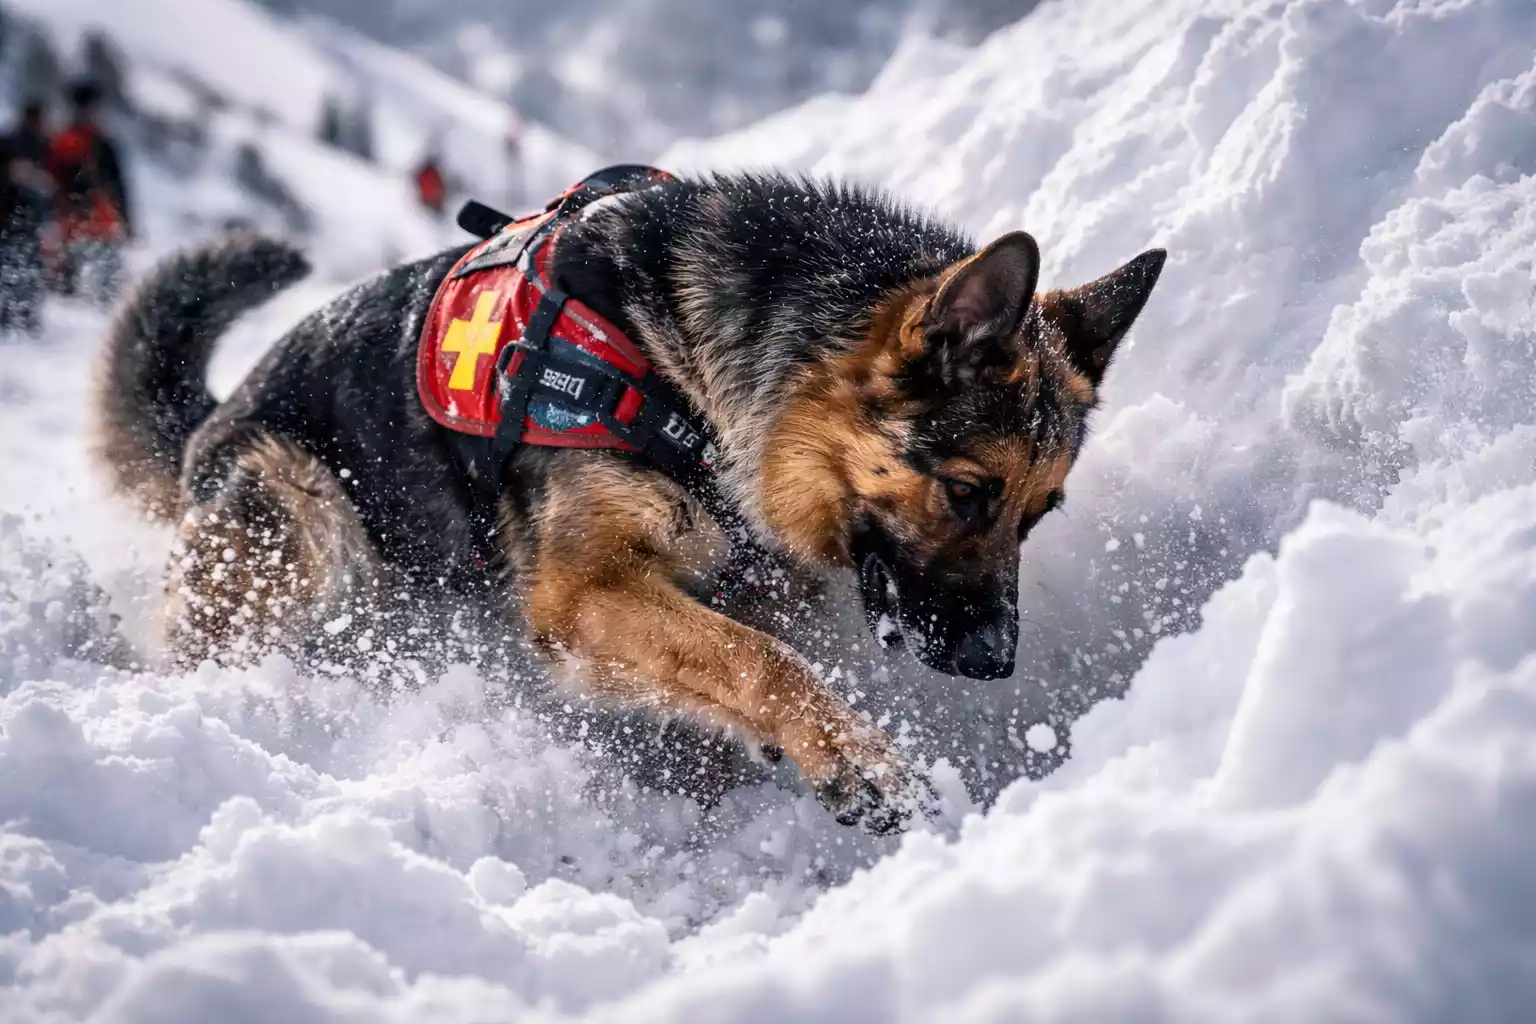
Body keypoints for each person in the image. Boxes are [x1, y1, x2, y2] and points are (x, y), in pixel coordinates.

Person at [46, 80, 131, 302]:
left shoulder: (57, 141)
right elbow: (119, 187)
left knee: (66, 290)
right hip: (100, 224)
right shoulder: (99, 142)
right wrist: (127, 222)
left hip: (68, 225)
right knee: (108, 292)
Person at [0, 101, 52, 334]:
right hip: (18, 216)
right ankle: (19, 317)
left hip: (16, 217)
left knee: (18, 267)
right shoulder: (23, 143)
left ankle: (17, 316)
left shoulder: (14, 140)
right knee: (19, 267)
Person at [413, 151, 447, 216]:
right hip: (431, 193)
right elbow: (440, 182)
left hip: (429, 194)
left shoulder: (425, 172)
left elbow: (419, 181)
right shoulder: (433, 172)